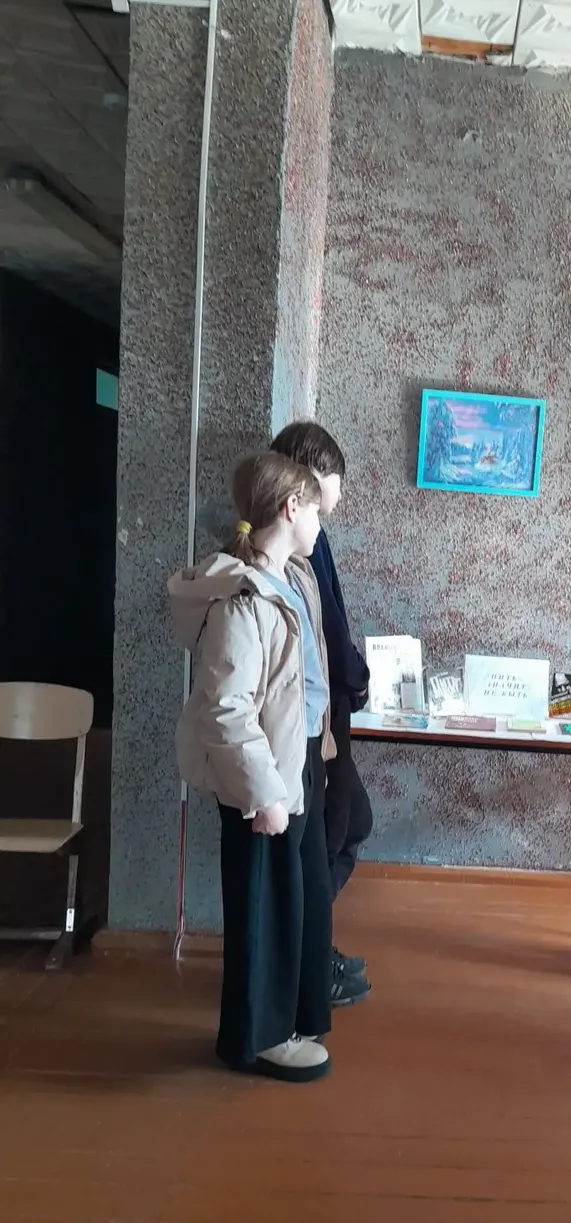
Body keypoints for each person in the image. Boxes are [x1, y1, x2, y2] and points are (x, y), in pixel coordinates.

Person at [169, 453, 337, 1081]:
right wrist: (265, 792)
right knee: (262, 906)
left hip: (292, 766)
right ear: (291, 509)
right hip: (261, 780)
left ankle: (285, 1021)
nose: (319, 522)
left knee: (290, 900)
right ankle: (258, 1039)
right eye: (315, 510)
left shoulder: (286, 580)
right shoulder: (243, 599)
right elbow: (227, 710)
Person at [270, 422, 372, 1009]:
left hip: (327, 718)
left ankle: (312, 948)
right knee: (331, 834)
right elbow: (326, 630)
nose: (338, 494)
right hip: (313, 725)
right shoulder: (291, 549)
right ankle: (308, 959)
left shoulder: (310, 539)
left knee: (347, 826)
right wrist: (357, 676)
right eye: (335, 480)